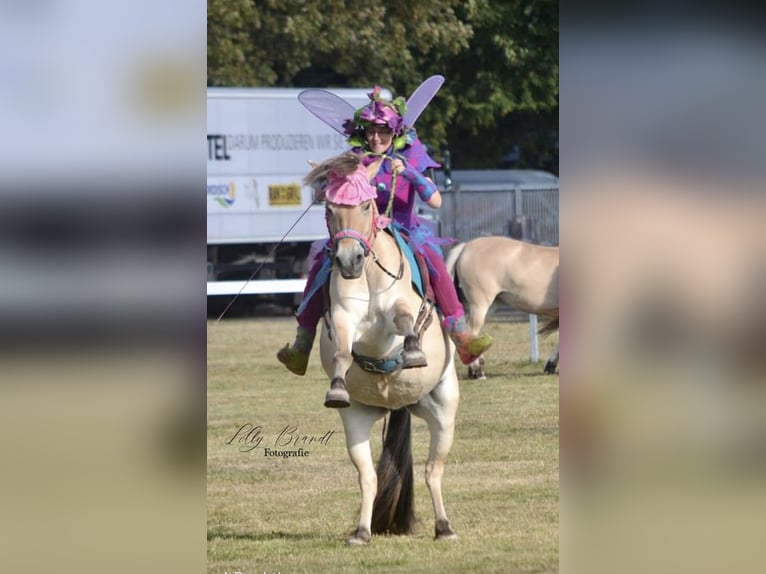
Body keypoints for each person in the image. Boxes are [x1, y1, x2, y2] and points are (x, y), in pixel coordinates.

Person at [278, 86, 493, 379]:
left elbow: (436, 200)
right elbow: (325, 194)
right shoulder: (353, 160)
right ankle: (303, 342)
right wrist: (323, 184)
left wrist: (409, 172)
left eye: (383, 131)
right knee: (322, 264)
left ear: (395, 132)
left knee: (433, 259)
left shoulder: (412, 155)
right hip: (359, 232)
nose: (376, 138)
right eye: (370, 131)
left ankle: (461, 334)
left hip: (404, 230)